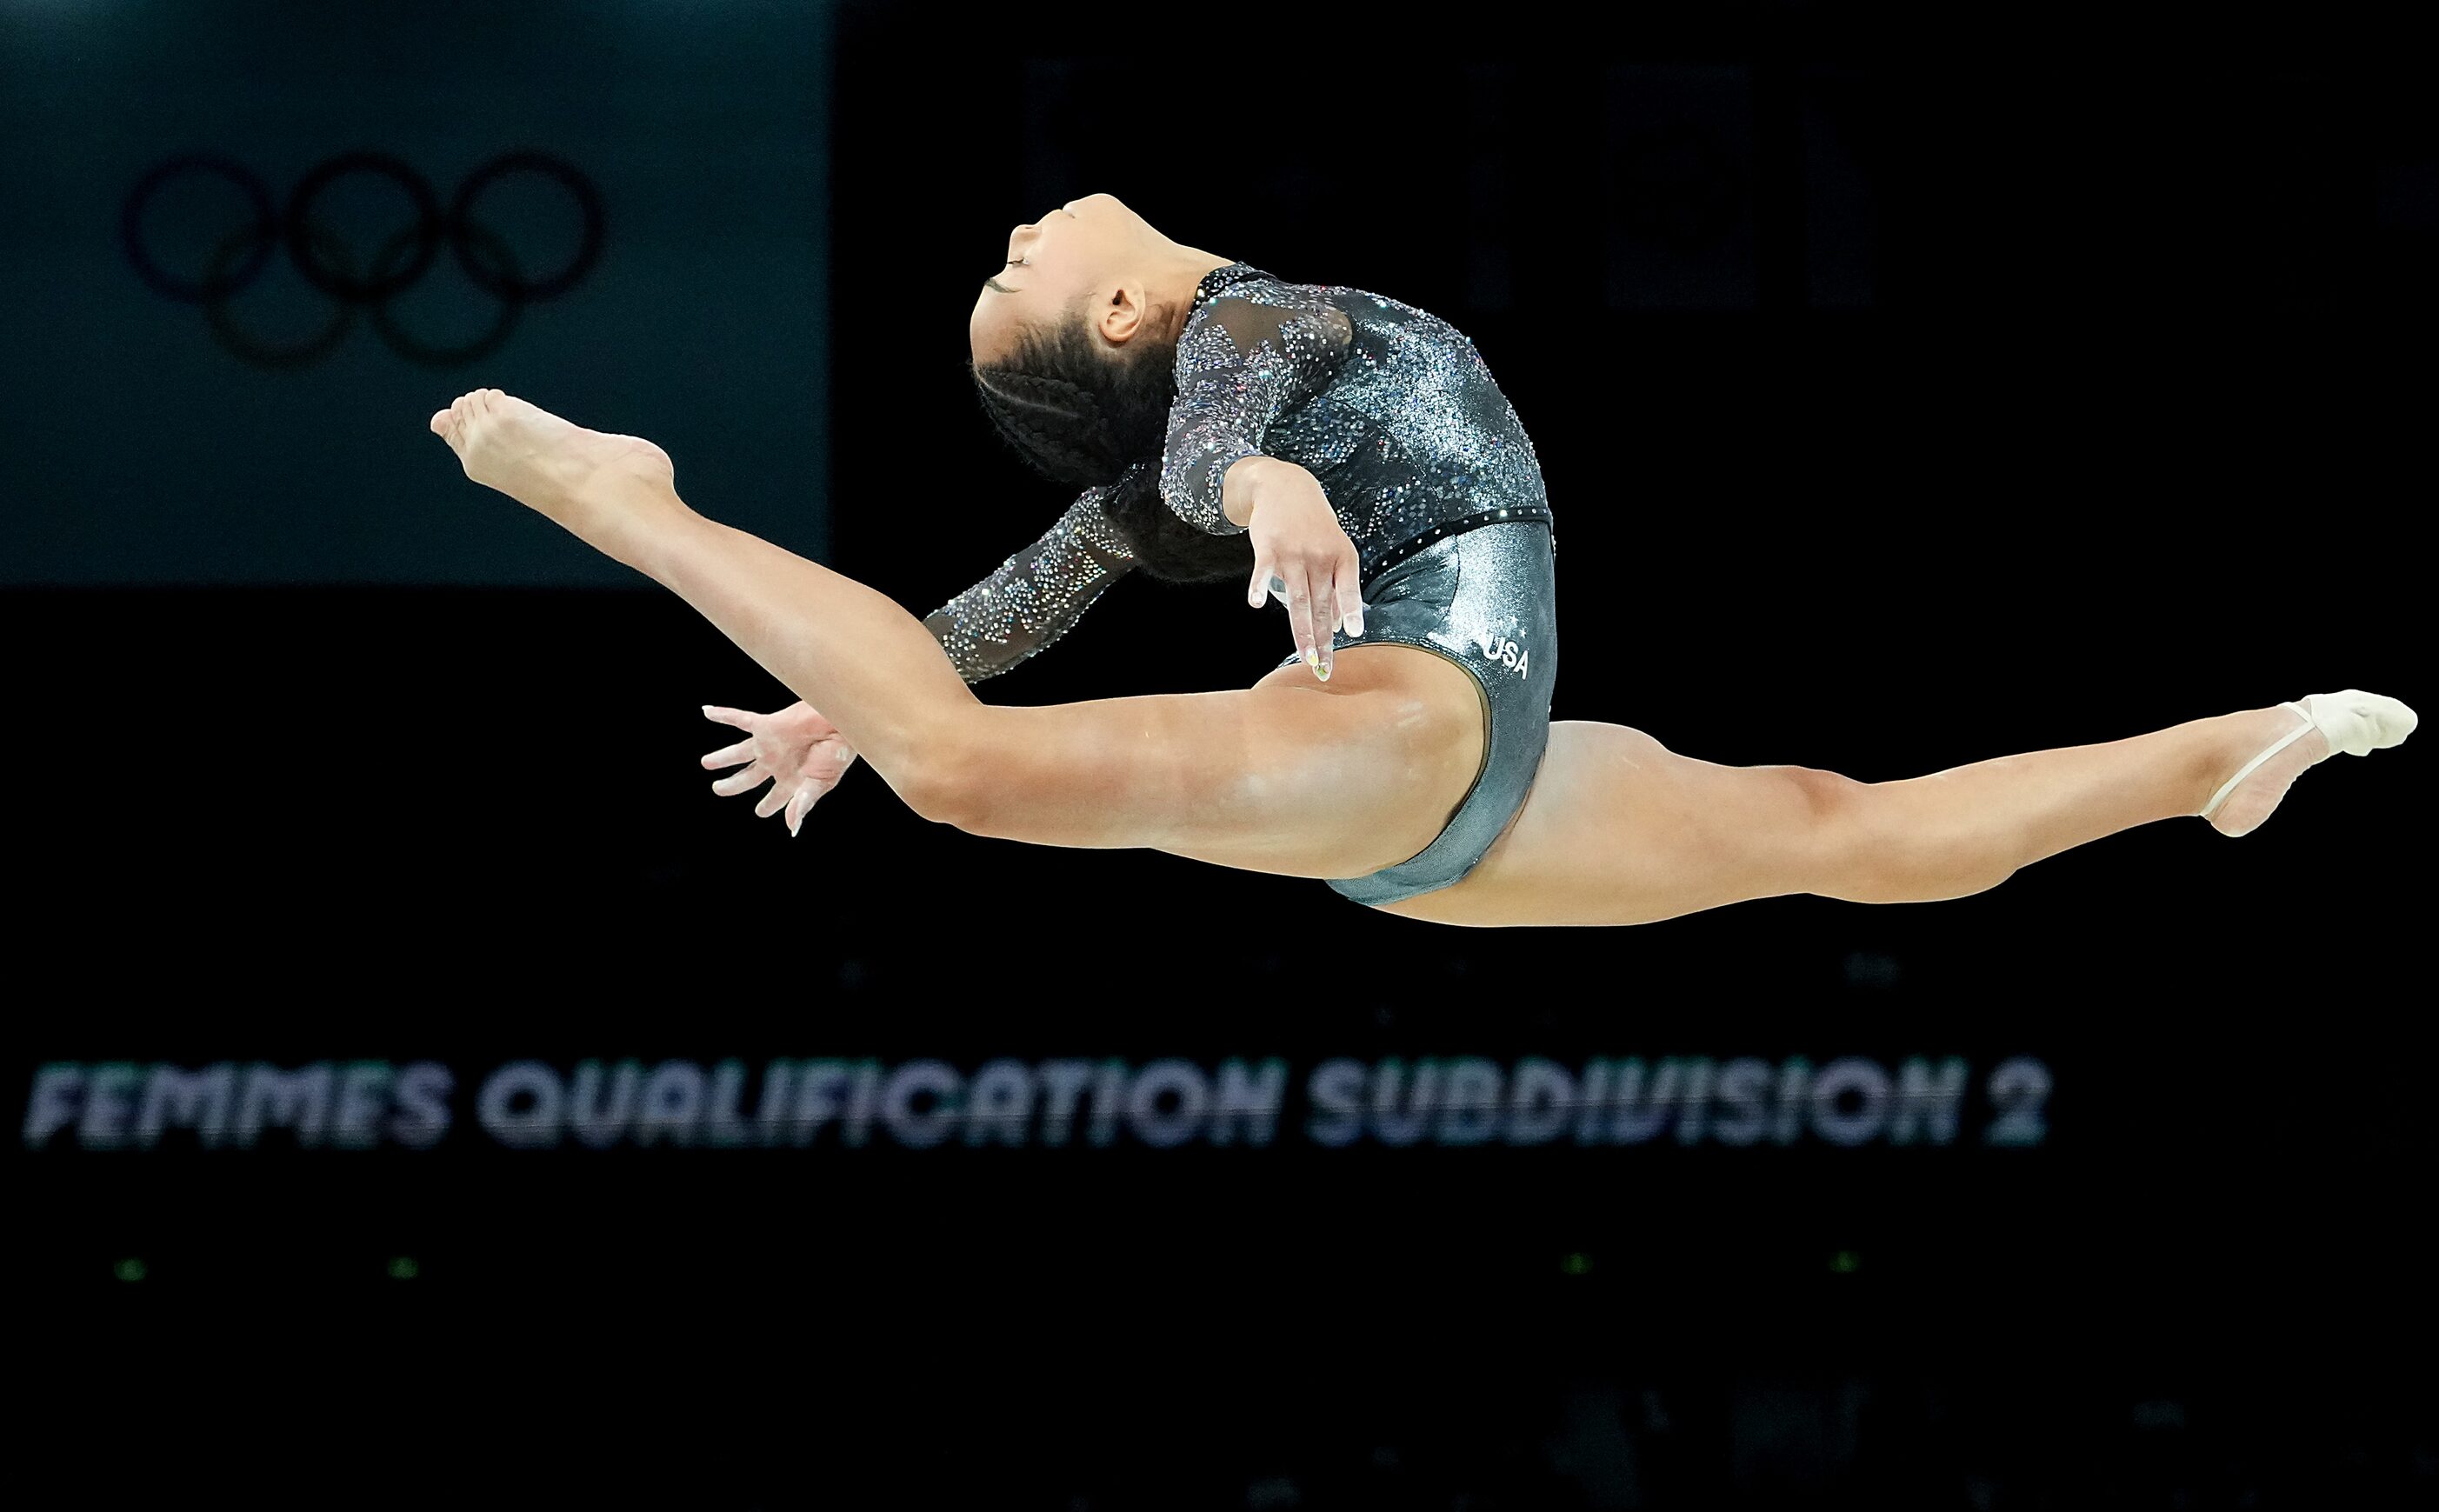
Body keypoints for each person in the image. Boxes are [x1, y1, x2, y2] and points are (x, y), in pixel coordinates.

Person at [428, 194, 2414, 929]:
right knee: (959, 765)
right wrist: (1250, 496)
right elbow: (1152, 494)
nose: (1013, 237)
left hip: (1444, 810)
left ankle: (2226, 748)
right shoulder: (1231, 339)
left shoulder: (1257, 358)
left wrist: (855, 702)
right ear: (1119, 314)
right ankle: (634, 502)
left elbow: (1016, 598)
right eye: (1008, 280)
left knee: (1841, 829)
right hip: (1419, 746)